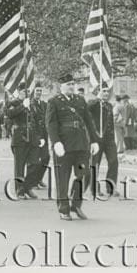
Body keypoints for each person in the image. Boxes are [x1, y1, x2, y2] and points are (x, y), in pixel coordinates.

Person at [46, 73, 99, 220]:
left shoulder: (80, 100)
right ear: (61, 86)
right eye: (68, 84)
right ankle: (64, 209)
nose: (70, 87)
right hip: (64, 146)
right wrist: (56, 142)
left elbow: (89, 122)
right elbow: (51, 124)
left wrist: (94, 140)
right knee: (62, 178)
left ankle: (76, 204)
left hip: (81, 145)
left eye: (72, 84)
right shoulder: (54, 102)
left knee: (85, 174)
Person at [85, 86, 119, 197]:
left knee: (114, 161)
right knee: (95, 163)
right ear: (98, 92)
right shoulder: (93, 104)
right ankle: (94, 188)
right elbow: (87, 109)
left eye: (107, 91)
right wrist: (97, 99)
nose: (106, 93)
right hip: (97, 138)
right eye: (103, 91)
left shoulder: (109, 105)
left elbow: (111, 123)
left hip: (109, 139)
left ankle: (111, 188)